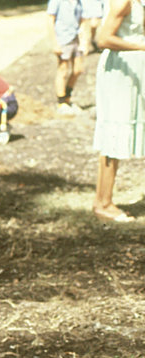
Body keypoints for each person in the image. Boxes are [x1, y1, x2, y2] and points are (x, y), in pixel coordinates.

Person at [92, 0, 145, 223]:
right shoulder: (124, 0)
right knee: (114, 130)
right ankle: (103, 203)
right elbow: (103, 39)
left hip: (134, 70)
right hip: (120, 71)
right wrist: (142, 47)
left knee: (126, 127)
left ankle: (105, 200)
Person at [48, 0, 84, 115]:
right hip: (63, 38)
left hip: (76, 37)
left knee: (78, 70)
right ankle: (61, 101)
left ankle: (68, 97)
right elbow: (50, 20)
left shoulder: (79, 2)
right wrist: (54, 43)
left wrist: (84, 40)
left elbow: (83, 19)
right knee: (63, 69)